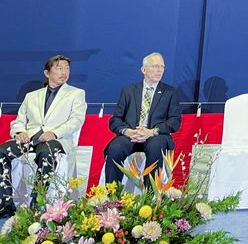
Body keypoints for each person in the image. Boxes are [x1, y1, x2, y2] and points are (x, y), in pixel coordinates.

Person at [0, 55, 87, 217]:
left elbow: (76, 121)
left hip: (56, 139)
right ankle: (5, 202)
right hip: (30, 139)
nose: (64, 72)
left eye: (67, 68)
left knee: (46, 152)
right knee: (2, 151)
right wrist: (20, 132)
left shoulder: (76, 94)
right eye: (59, 68)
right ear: (47, 73)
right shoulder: (32, 96)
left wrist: (55, 132)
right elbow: (19, 120)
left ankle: (37, 201)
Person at [104, 52, 182, 186]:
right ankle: (112, 195)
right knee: (116, 148)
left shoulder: (170, 92)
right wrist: (127, 131)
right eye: (155, 66)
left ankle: (150, 197)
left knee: (156, 146)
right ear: (143, 70)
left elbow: (174, 121)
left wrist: (151, 132)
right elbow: (115, 120)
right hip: (131, 135)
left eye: (162, 67)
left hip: (156, 135)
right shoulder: (128, 91)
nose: (160, 70)